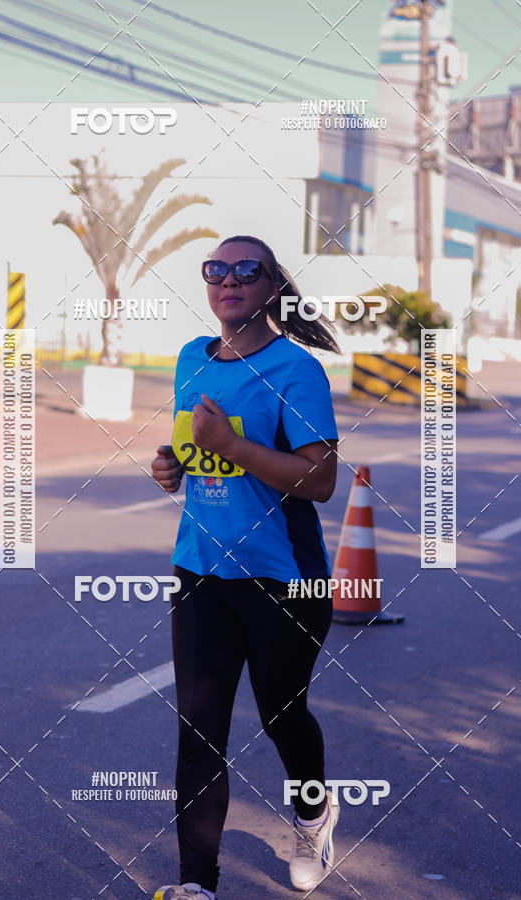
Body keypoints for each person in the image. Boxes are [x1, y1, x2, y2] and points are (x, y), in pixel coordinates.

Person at [151, 235, 341, 900]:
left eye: (245, 271)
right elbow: (195, 451)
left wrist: (229, 444)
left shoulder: (296, 370)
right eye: (215, 270)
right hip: (201, 570)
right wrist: (171, 467)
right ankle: (196, 885)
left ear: (271, 288)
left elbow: (320, 481)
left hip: (283, 575)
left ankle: (314, 813)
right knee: (199, 727)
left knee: (283, 717)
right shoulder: (189, 360)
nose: (227, 280)